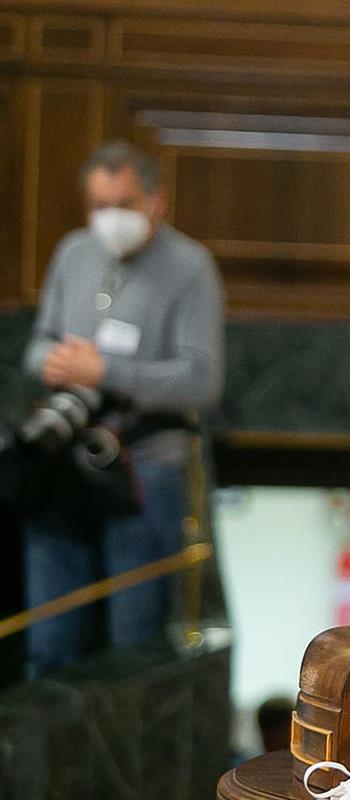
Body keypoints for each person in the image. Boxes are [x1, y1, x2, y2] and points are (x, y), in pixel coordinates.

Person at [22, 140, 224, 677]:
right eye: (98, 205)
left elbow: (201, 382)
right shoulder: (73, 252)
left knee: (134, 651)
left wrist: (104, 372)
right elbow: (36, 348)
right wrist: (63, 363)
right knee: (50, 641)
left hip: (146, 470)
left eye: (124, 203)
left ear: (156, 201)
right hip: (65, 463)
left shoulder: (191, 267)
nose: (110, 218)